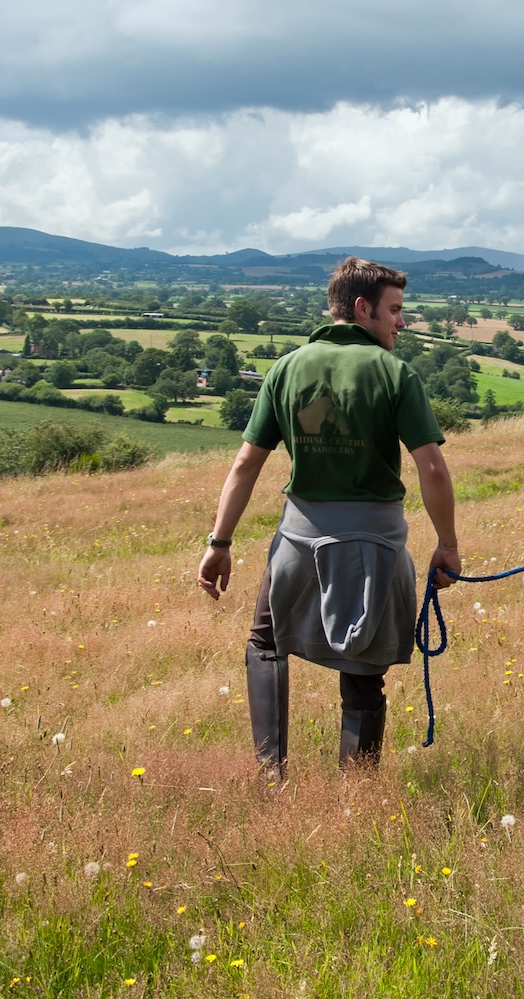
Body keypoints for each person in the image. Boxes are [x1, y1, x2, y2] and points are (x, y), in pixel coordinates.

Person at [197, 257, 461, 774]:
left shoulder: (287, 368)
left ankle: (271, 774)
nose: (401, 322)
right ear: (363, 309)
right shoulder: (395, 374)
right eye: (394, 311)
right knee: (364, 671)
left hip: (297, 544)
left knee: (265, 645)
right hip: (376, 548)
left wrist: (219, 542)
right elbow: (430, 467)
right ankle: (355, 796)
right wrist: (447, 544)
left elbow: (247, 462)